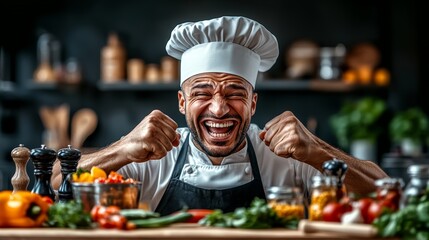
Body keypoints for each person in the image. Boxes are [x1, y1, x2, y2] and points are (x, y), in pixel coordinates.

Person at [52, 16, 388, 215]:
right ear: (182, 102)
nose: (218, 108)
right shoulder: (152, 155)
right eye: (201, 93)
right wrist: (122, 148)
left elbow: (386, 193)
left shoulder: (285, 156)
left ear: (253, 104)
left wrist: (318, 150)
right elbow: (50, 185)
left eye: (234, 93)